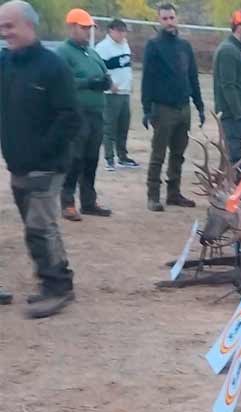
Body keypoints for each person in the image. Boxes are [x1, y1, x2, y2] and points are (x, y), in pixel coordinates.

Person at [0, 0, 79, 317]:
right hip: (18, 163)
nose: (4, 32)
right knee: (41, 225)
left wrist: (42, 152)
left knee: (39, 227)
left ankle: (56, 289)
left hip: (46, 164)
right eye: (1, 26)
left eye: (10, 26)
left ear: (29, 25)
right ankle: (59, 280)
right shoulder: (7, 63)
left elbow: (70, 117)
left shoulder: (53, 66)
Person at [141, 2, 204, 212]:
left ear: (177, 19)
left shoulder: (184, 46)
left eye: (171, 18)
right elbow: (147, 79)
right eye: (165, 18)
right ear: (160, 20)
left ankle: (174, 193)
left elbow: (192, 76)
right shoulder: (154, 46)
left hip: (183, 108)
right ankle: (153, 196)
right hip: (163, 108)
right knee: (158, 154)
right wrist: (146, 108)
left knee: (178, 153)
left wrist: (199, 105)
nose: (169, 22)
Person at [57, 8, 113, 221]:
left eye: (89, 28)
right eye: (84, 27)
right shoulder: (63, 52)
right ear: (71, 27)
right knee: (75, 158)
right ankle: (68, 202)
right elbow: (62, 82)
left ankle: (89, 202)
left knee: (91, 158)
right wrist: (88, 83)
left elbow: (104, 72)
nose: (88, 32)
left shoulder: (92, 52)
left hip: (96, 112)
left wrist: (105, 81)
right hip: (77, 113)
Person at [212, 8, 241, 181]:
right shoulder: (228, 51)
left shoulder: (236, 50)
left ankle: (234, 201)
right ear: (240, 28)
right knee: (236, 164)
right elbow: (228, 87)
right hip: (233, 119)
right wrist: (240, 117)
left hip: (238, 117)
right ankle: (232, 204)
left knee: (238, 162)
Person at [95, 18, 138, 171]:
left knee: (123, 126)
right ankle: (109, 159)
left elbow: (126, 67)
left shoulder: (125, 45)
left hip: (125, 92)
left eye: (123, 31)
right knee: (110, 126)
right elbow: (99, 70)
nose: (122, 34)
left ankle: (123, 156)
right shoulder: (103, 48)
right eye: (119, 31)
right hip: (111, 93)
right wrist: (109, 84)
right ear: (111, 31)